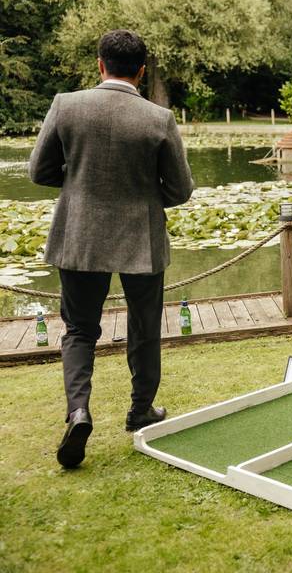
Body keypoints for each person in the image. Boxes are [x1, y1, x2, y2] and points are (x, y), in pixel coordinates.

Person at [29, 29, 194, 468]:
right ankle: (141, 409)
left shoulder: (66, 105)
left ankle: (79, 410)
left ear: (99, 65)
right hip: (142, 239)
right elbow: (179, 190)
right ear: (141, 71)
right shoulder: (159, 120)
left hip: (80, 236)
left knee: (80, 329)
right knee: (144, 326)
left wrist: (78, 180)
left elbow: (38, 170)